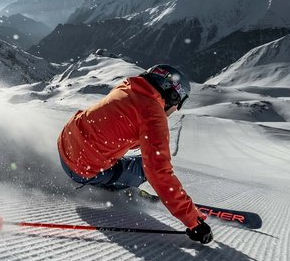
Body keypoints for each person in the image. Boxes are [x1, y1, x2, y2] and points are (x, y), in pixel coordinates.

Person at [57, 64, 213, 244]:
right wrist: (194, 221)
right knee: (143, 168)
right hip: (82, 169)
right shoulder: (153, 115)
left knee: (126, 158)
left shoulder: (127, 86)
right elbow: (158, 173)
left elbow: (120, 121)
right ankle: (114, 188)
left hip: (66, 144)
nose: (177, 109)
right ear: (172, 95)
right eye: (180, 103)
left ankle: (109, 176)